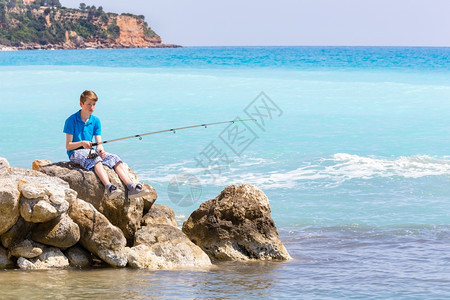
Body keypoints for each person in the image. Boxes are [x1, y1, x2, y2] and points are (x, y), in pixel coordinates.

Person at [64, 90, 149, 200]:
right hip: (75, 153)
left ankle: (131, 187)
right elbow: (68, 146)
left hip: (90, 151)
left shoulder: (95, 121)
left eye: (94, 104)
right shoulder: (71, 120)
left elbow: (99, 143)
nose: (92, 107)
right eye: (88, 104)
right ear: (81, 104)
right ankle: (109, 187)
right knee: (96, 159)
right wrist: (82, 143)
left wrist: (100, 150)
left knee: (115, 158)